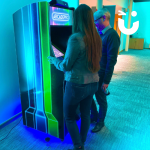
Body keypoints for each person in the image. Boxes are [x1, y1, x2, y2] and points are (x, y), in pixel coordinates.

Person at [48, 4, 102, 150]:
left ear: (77, 18)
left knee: (69, 116)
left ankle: (78, 146)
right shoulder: (96, 37)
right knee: (85, 115)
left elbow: (66, 66)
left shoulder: (75, 38)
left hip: (76, 85)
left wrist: (54, 60)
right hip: (93, 83)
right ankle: (82, 141)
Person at [90, 8, 120, 133]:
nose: (94, 23)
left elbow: (111, 61)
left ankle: (100, 122)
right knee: (88, 95)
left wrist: (106, 81)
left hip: (101, 75)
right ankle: (95, 116)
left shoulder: (112, 35)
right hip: (93, 73)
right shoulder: (100, 33)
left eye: (95, 20)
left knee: (101, 99)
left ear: (103, 18)